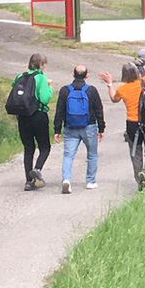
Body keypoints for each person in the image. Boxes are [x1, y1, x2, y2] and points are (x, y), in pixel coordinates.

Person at [101, 61, 145, 188]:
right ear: (137, 72)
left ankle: (140, 181)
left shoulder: (122, 89)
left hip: (132, 124)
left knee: (135, 153)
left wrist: (110, 84)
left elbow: (113, 99)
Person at [53, 64, 106, 193]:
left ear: (73, 75)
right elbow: (99, 110)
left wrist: (57, 130)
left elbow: (59, 111)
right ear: (87, 76)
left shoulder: (65, 90)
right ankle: (90, 181)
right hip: (89, 126)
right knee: (92, 155)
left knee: (68, 155)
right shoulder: (91, 90)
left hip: (70, 127)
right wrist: (101, 128)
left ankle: (66, 180)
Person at [7, 52, 54, 190]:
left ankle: (28, 182)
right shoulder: (41, 78)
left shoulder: (20, 76)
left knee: (28, 148)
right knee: (45, 147)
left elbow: (14, 86)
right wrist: (49, 87)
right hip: (38, 115)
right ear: (41, 65)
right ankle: (37, 169)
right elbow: (44, 98)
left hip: (22, 115)